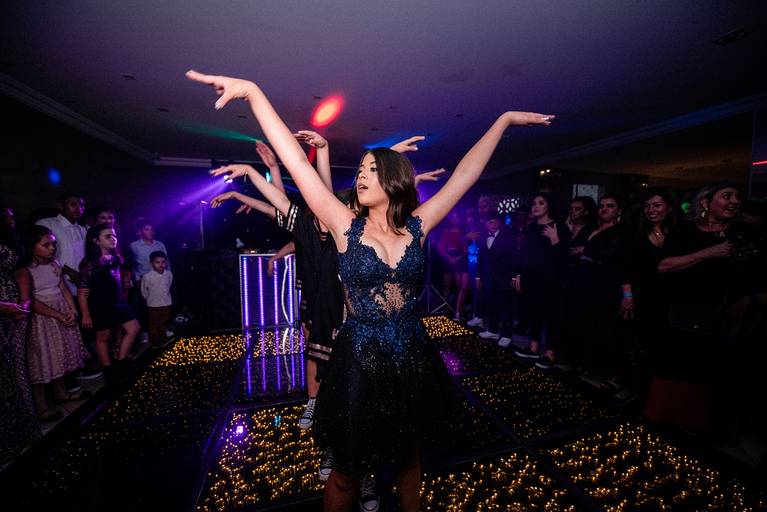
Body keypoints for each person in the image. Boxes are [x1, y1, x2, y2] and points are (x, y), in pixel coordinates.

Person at [187, 68, 554, 511]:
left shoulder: (418, 227)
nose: (361, 176)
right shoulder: (345, 226)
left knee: (408, 462)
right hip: (359, 361)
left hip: (411, 357)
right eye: (360, 170)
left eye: (371, 170)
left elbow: (465, 174)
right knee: (345, 472)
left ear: (393, 180)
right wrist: (253, 93)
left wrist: (503, 120)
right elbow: (296, 162)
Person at [650, 183, 766, 436]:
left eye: (737, 197)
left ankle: (711, 428)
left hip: (728, 317)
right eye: (727, 196)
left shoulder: (744, 232)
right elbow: (665, 266)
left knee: (718, 374)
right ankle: (673, 422)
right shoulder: (684, 231)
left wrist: (751, 298)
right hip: (685, 313)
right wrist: (711, 252)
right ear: (705, 202)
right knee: (679, 367)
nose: (734, 201)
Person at [16, 226, 90, 421]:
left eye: (54, 244)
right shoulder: (26, 271)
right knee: (42, 360)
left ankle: (61, 393)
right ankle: (41, 407)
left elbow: (62, 287)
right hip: (42, 319)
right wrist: (57, 315)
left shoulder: (54, 264)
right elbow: (31, 301)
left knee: (59, 355)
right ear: (31, 247)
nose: (52, 248)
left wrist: (73, 309)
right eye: (46, 244)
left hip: (61, 311)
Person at [0, 204, 40, 463]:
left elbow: (21, 269)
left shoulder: (9, 239)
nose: (12, 219)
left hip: (15, 313)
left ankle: (23, 434)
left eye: (12, 215)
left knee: (16, 371)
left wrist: (24, 300)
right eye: (7, 216)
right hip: (3, 310)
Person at [78, 223, 139, 387]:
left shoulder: (115, 258)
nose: (113, 239)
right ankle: (109, 372)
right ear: (96, 241)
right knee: (103, 337)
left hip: (118, 302)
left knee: (134, 328)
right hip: (100, 305)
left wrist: (123, 298)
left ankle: (121, 363)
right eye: (108, 236)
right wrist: (86, 314)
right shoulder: (89, 263)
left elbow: (118, 282)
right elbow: (82, 292)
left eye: (114, 235)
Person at [514, 193, 569, 365]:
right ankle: (533, 348)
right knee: (534, 312)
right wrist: (519, 275)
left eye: (541, 203)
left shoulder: (559, 227)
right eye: (534, 203)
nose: (535, 206)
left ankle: (550, 354)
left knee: (551, 315)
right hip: (532, 277)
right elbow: (524, 254)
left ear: (549, 206)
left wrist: (555, 239)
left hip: (551, 279)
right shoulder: (530, 228)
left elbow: (564, 259)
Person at [476, 211, 517, 347]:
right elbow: (480, 258)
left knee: (506, 307)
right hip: (488, 278)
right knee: (491, 305)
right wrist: (478, 276)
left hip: (504, 277)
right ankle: (493, 330)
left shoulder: (508, 236)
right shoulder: (483, 237)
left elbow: (514, 257)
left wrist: (514, 276)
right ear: (486, 224)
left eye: (496, 221)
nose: (494, 224)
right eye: (490, 222)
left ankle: (506, 335)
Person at [35, 193, 86, 296]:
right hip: (56, 285)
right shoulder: (47, 224)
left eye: (81, 205)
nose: (79, 208)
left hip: (80, 285)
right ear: (60, 206)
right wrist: (69, 271)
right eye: (73, 204)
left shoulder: (82, 229)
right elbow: (39, 253)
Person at [437, 211, 470, 321]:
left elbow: (465, 250)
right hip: (448, 258)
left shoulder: (463, 232)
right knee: (446, 285)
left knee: (459, 286)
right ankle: (444, 307)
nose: (455, 220)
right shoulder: (446, 232)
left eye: (457, 217)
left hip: (459, 258)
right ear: (451, 220)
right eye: (453, 218)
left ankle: (458, 309)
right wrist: (449, 258)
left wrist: (458, 257)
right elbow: (441, 248)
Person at [140, 251, 173, 349]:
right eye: (157, 262)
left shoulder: (169, 274)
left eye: (163, 262)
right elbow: (144, 291)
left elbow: (168, 286)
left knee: (163, 323)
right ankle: (155, 343)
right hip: (153, 305)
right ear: (151, 263)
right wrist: (149, 299)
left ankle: (163, 340)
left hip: (166, 303)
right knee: (154, 325)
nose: (161, 265)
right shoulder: (147, 277)